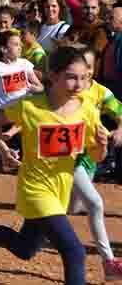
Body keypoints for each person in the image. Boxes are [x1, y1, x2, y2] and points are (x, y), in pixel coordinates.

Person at [0, 46, 108, 285]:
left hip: (60, 189)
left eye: (84, 78)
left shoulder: (87, 111)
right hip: (35, 189)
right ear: (53, 76)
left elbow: (95, 157)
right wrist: (3, 151)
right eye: (71, 77)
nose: (79, 85)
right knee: (74, 251)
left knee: (25, 248)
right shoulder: (31, 107)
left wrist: (101, 145)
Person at [71, 46, 122, 280]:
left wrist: (120, 129)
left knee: (67, 209)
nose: (86, 72)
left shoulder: (102, 92)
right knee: (95, 204)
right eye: (82, 66)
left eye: (90, 67)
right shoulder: (67, 90)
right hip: (69, 160)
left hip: (90, 158)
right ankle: (109, 262)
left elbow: (120, 112)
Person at [0, 30, 44, 111]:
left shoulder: (25, 64)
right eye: (16, 45)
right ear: (4, 49)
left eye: (20, 44)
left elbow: (40, 87)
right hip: (4, 112)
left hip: (24, 109)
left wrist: (34, 88)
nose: (20, 47)